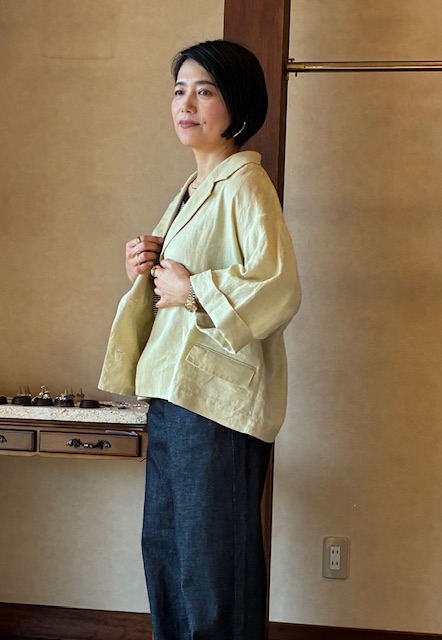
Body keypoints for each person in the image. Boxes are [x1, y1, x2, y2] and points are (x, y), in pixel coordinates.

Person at [99, 39, 301, 640]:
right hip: (174, 394)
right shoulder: (192, 189)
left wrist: (193, 289)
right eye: (179, 90)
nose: (185, 104)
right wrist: (149, 264)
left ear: (236, 104)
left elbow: (278, 286)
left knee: (212, 563)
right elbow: (179, 285)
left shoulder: (246, 184)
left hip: (215, 405)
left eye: (204, 91)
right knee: (168, 552)